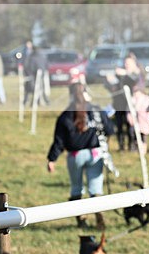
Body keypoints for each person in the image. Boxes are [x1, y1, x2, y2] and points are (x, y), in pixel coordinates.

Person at [47, 82, 115, 230]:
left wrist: (52, 159)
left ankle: (81, 219)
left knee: (76, 188)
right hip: (95, 154)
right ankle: (99, 217)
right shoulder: (96, 111)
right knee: (96, 189)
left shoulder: (65, 115)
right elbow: (110, 129)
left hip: (75, 156)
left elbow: (59, 141)